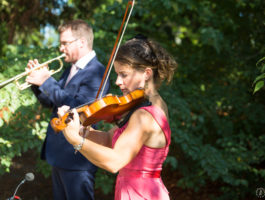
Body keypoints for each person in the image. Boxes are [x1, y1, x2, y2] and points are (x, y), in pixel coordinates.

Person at [57, 35, 178, 200]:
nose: (118, 82)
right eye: (117, 74)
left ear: (147, 73)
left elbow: (114, 162)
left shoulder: (144, 115)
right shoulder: (152, 104)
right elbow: (109, 138)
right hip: (142, 190)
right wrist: (78, 130)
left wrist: (76, 141)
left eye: (124, 74)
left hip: (140, 193)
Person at [25, 19, 110, 200]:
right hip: (60, 155)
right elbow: (51, 103)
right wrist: (36, 83)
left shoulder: (97, 72)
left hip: (77, 158)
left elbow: (80, 109)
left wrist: (46, 81)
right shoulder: (71, 69)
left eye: (65, 43)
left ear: (81, 42)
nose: (61, 48)